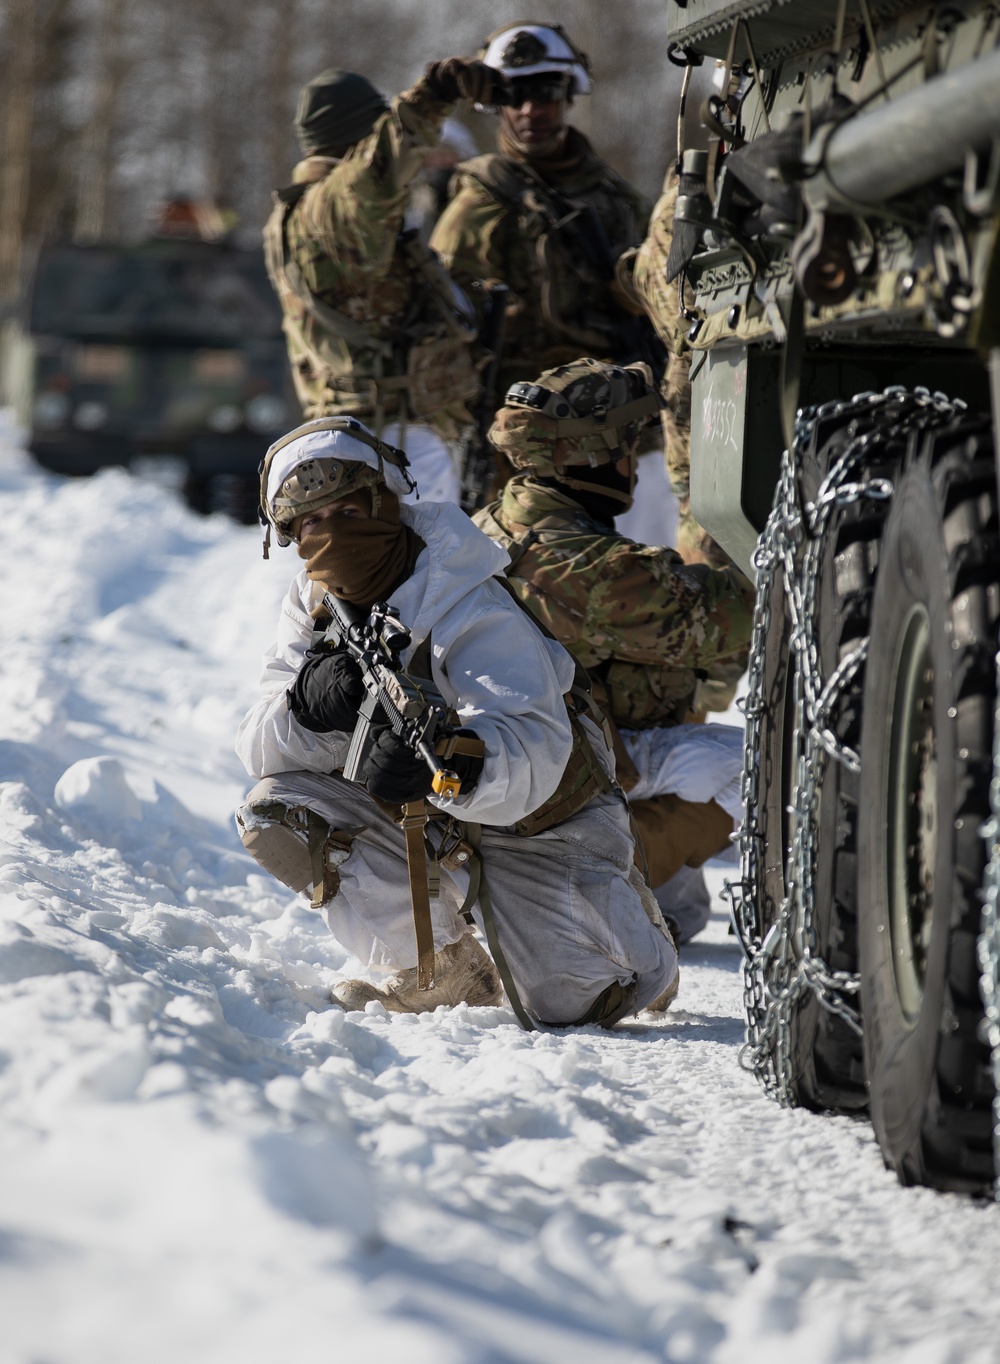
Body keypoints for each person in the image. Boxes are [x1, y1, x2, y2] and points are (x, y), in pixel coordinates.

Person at [234, 414, 677, 1025]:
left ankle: (638, 934)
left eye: (350, 512)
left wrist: (452, 765)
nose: (331, 534)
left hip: (541, 818)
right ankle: (444, 968)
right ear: (288, 533)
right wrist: (306, 710)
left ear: (385, 502)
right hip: (425, 824)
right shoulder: (314, 603)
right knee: (275, 809)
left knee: (571, 1004)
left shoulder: (466, 595)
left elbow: (534, 745)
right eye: (311, 523)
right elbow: (258, 749)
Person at [473, 358, 755, 940]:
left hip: (533, 769)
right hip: (564, 784)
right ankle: (584, 884)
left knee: (684, 915)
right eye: (629, 445)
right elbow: (747, 614)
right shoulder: (589, 570)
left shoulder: (493, 524)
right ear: (593, 458)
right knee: (773, 767)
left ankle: (638, 891)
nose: (634, 463)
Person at [263, 58, 503, 506]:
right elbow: (382, 163)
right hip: (393, 441)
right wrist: (435, 92)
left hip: (366, 435)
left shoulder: (305, 214)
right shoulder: (334, 206)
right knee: (428, 572)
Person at [430, 22, 660, 404]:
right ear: (496, 106)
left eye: (546, 93)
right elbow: (444, 311)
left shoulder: (620, 201)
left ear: (569, 96)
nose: (529, 110)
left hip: (616, 410)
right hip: (517, 414)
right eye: (514, 95)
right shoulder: (482, 197)